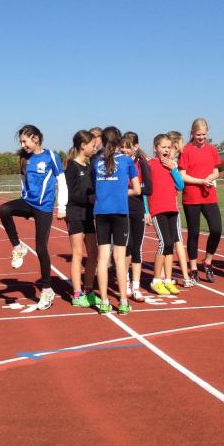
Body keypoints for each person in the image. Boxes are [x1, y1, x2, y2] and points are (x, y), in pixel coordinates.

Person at [0, 124, 66, 310]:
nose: (23, 145)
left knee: (41, 248)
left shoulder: (51, 156)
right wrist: (24, 196)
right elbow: (23, 179)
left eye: (24, 141)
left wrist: (62, 207)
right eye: (21, 142)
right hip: (28, 202)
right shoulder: (24, 158)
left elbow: (61, 181)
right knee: (4, 209)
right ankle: (18, 247)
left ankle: (47, 290)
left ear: (35, 139)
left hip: (44, 207)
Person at [91, 126, 140, 314]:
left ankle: (104, 302)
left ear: (102, 141)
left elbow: (96, 187)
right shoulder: (127, 161)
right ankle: (123, 302)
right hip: (120, 212)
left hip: (101, 212)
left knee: (103, 258)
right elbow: (137, 190)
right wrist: (120, 192)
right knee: (120, 259)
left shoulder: (96, 162)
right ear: (119, 141)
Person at [178, 118, 222, 283]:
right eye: (198, 135)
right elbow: (183, 176)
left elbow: (216, 171)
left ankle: (208, 261)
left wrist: (211, 177)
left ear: (207, 133)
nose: (201, 137)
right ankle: (193, 268)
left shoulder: (212, 149)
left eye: (204, 134)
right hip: (191, 197)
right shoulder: (186, 150)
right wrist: (201, 181)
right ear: (192, 133)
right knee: (194, 232)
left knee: (216, 229)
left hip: (209, 196)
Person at [146, 134, 186, 298]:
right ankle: (156, 280)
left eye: (169, 147)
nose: (167, 150)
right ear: (155, 148)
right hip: (157, 209)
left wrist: (173, 169)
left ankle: (168, 280)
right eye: (163, 147)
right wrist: (146, 210)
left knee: (170, 245)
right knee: (164, 243)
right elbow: (144, 188)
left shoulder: (172, 165)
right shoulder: (150, 164)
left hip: (172, 209)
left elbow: (181, 186)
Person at [63, 130, 99, 307]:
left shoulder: (90, 166)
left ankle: (89, 290)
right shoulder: (72, 167)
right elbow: (70, 194)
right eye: (93, 145)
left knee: (94, 253)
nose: (95, 148)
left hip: (89, 215)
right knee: (78, 254)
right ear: (83, 146)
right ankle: (77, 294)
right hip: (75, 214)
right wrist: (90, 198)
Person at [121, 132, 152, 299]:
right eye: (122, 147)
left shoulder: (141, 163)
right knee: (127, 246)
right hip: (122, 210)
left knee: (136, 248)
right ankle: (125, 282)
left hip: (137, 209)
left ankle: (136, 287)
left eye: (128, 147)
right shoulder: (118, 162)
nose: (125, 150)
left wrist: (133, 190)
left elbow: (149, 189)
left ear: (135, 147)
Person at [167, 130, 192, 286]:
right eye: (182, 142)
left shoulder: (170, 161)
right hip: (168, 205)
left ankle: (178, 276)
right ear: (176, 143)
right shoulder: (170, 162)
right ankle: (184, 277)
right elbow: (180, 185)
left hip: (169, 205)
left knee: (170, 242)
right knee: (175, 242)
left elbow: (179, 185)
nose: (184, 145)